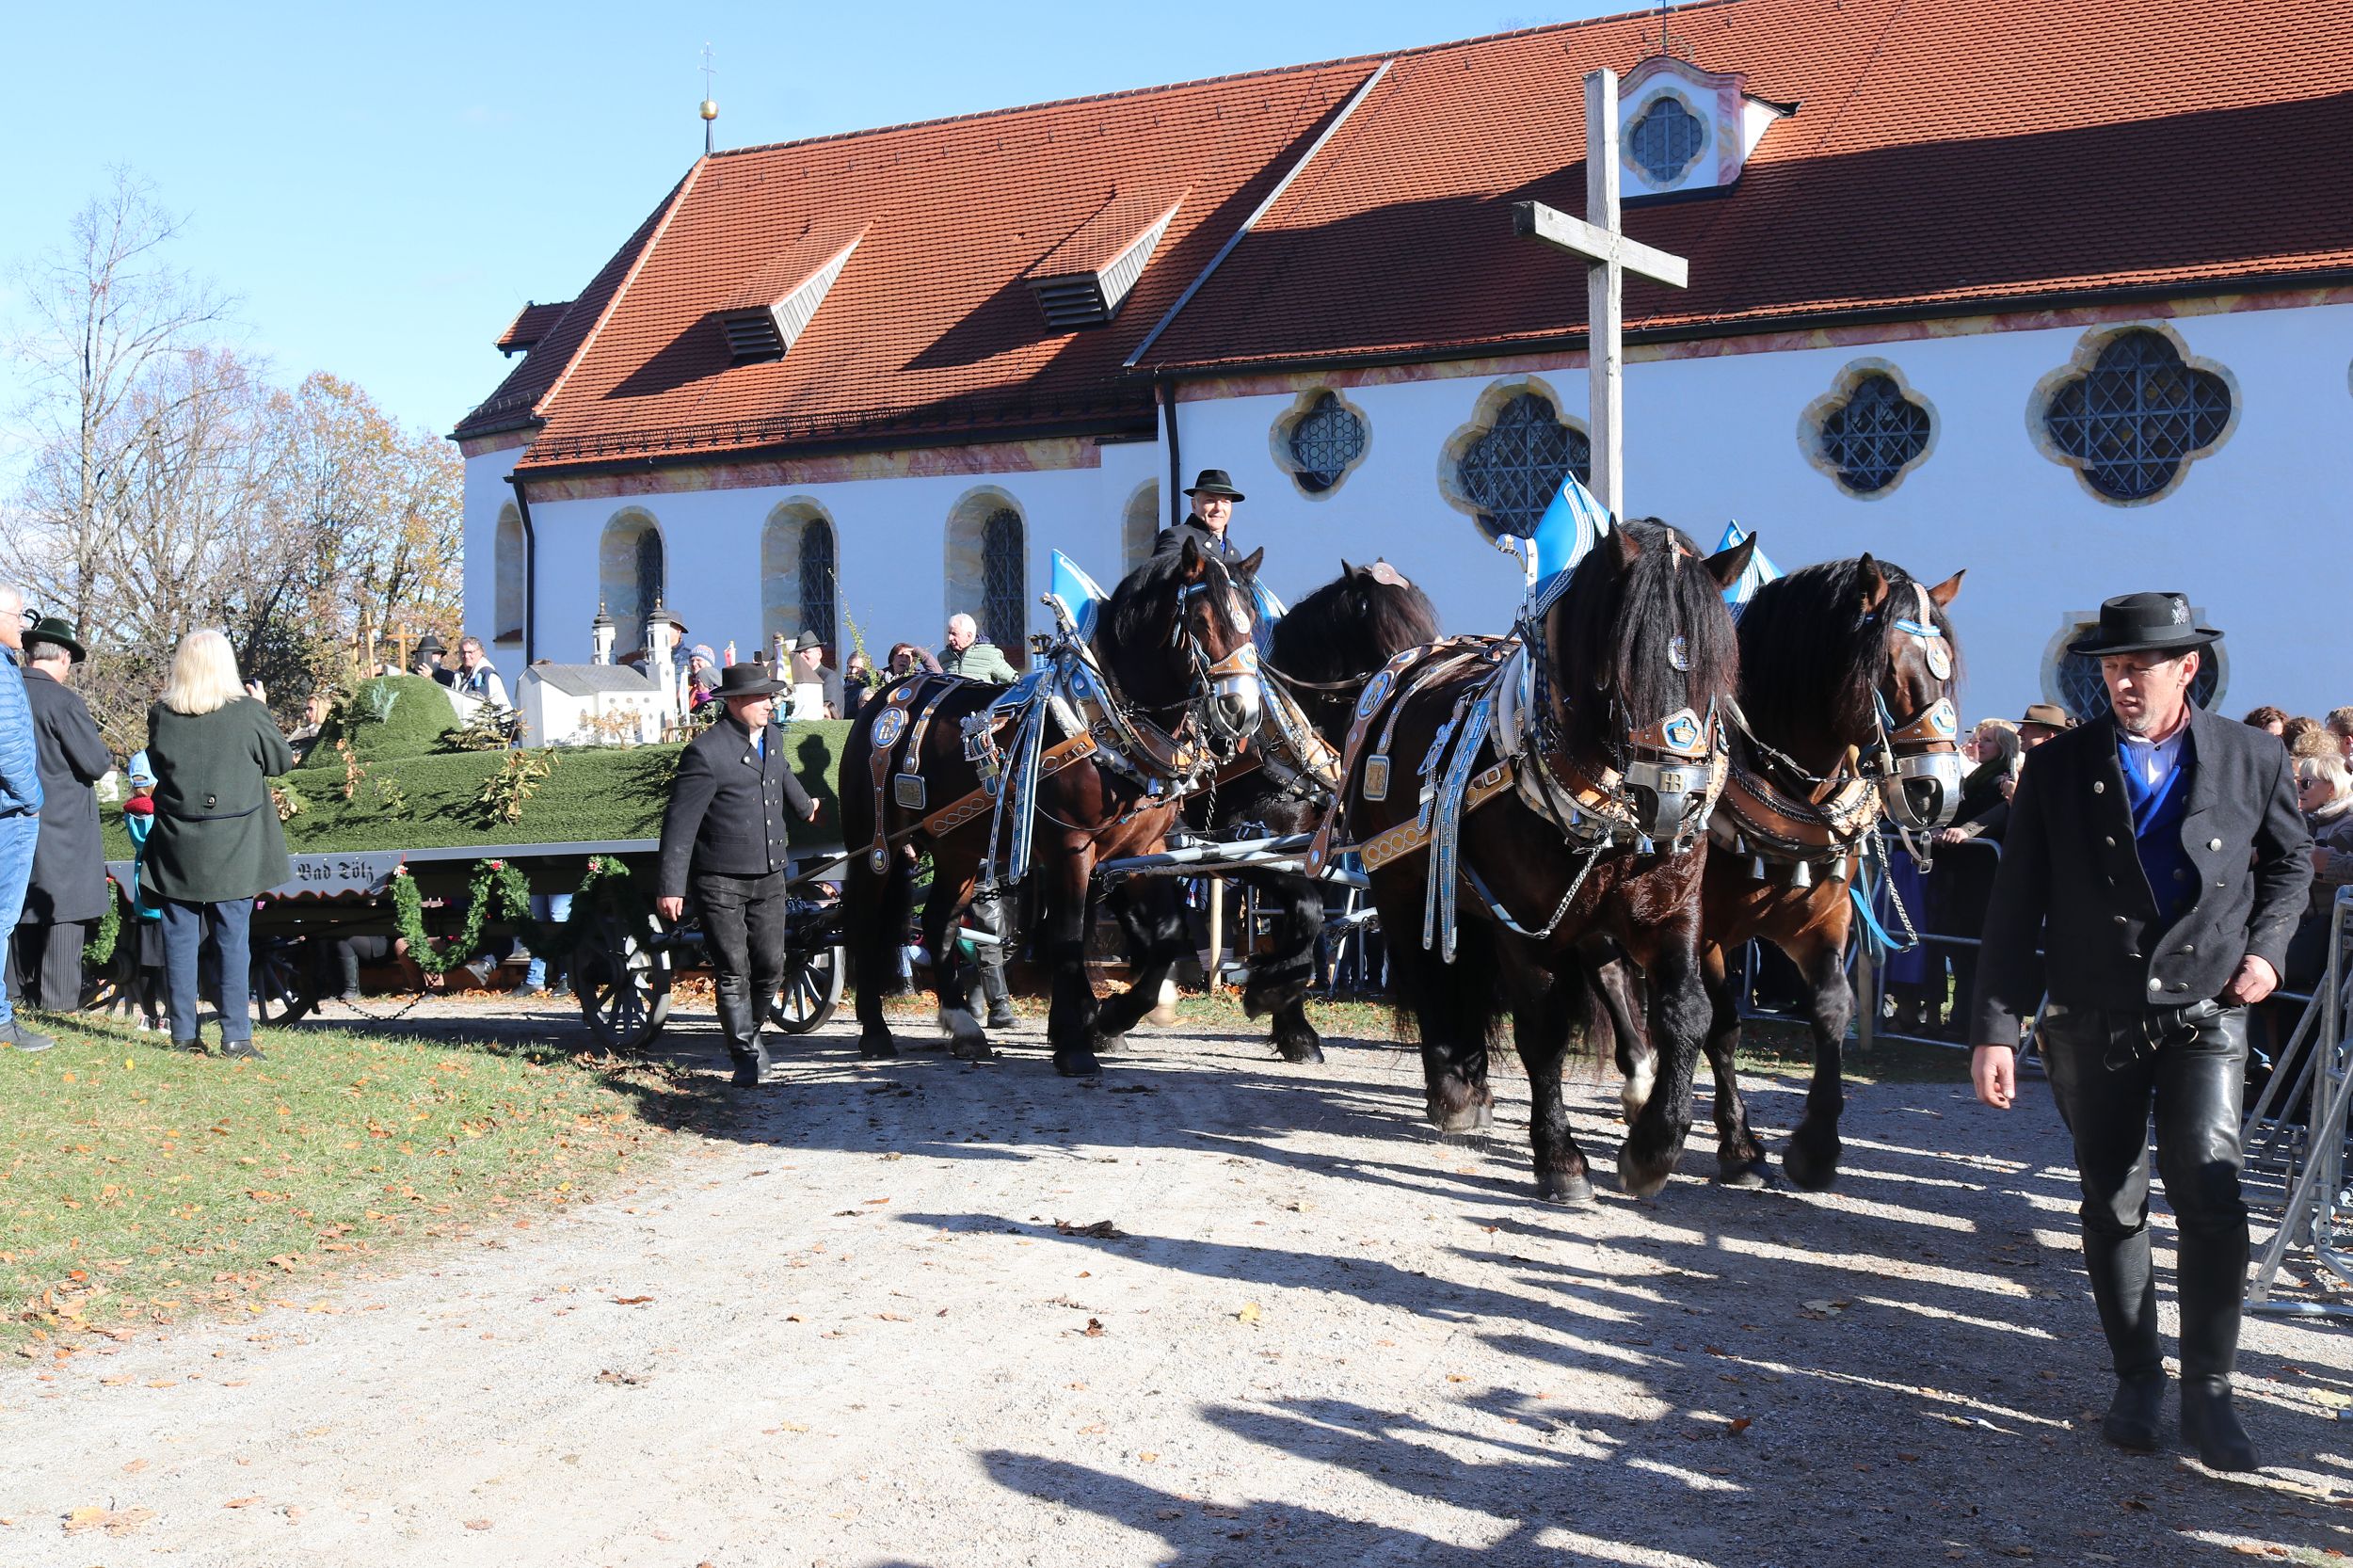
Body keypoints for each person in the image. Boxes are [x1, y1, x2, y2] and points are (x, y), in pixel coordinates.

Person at [1970, 592, 2308, 1472]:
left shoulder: (2253, 756)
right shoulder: (2058, 766)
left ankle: (2212, 1391)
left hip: (2206, 1010)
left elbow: (2292, 865)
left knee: (2210, 1190)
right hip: (2093, 1014)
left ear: (2187, 668)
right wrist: (1997, 1026)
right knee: (2113, 1200)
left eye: (2140, 667)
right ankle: (2137, 1379)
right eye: (2112, 667)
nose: (2122, 682)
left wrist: (2268, 952)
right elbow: (2016, 901)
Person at [656, 664, 820, 1085]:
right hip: (719, 880)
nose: (770, 704)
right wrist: (671, 887)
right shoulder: (705, 753)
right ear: (734, 702)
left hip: (769, 874)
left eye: (771, 696)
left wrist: (805, 806)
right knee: (734, 970)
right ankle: (745, 1056)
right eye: (762, 697)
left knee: (771, 967)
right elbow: (680, 824)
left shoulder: (772, 737)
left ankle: (751, 1034)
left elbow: (780, 773)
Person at [143, 630, 297, 1060]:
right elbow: (281, 762)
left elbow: (157, 764)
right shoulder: (248, 712)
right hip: (235, 843)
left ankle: (182, 1035)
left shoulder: (162, 714)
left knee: (178, 939)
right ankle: (235, 1038)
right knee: (233, 940)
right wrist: (262, 709)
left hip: (178, 843)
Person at [11, 617, 110, 1014]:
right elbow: (96, 763)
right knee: (63, 912)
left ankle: (12, 997)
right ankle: (57, 1004)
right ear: (64, 657)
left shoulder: (8, 692)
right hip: (63, 828)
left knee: (15, 907)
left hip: (13, 818)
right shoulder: (63, 702)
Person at [0, 585, 50, 1052]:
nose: (24, 625)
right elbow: (8, 744)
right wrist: (32, 798)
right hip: (10, 811)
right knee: (1, 917)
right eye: (18, 615)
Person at [120, 751, 168, 1030]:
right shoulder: (157, 812)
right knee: (173, 962)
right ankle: (171, 1015)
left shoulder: (132, 812)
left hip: (146, 899)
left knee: (148, 964)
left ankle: (150, 1015)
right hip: (167, 897)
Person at [1154, 468, 1246, 563]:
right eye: (1210, 500)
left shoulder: (1233, 554)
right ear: (1194, 505)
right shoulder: (1177, 538)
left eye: (1225, 502)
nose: (1219, 508)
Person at [939, 614, 1017, 683]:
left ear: (969, 636)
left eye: (954, 634)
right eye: (949, 633)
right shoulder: (944, 656)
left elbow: (1015, 681)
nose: (950, 638)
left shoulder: (989, 655)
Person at [786, 632, 845, 721]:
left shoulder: (829, 677)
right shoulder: (796, 677)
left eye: (806, 652)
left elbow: (828, 711)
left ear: (819, 654)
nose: (801, 656)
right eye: (799, 653)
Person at [451, 637, 509, 709]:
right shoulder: (458, 676)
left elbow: (502, 708)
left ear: (481, 652)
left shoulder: (488, 676)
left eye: (470, 652)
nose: (466, 656)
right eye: (463, 652)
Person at [840, 649, 877, 726]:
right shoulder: (844, 686)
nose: (853, 671)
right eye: (850, 667)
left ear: (867, 669)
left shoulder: (868, 690)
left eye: (858, 668)